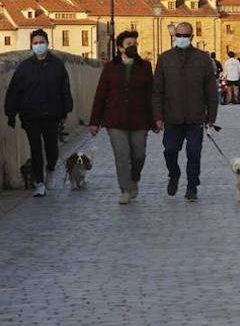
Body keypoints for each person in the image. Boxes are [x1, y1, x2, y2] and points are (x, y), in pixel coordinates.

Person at [88, 31, 159, 205]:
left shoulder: (145, 67)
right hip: (115, 118)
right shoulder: (110, 67)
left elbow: (152, 94)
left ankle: (134, 178)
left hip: (140, 119)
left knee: (139, 155)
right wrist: (94, 121)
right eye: (128, 44)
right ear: (120, 48)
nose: (132, 46)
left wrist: (156, 118)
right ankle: (125, 190)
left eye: (134, 43)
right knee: (122, 156)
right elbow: (101, 94)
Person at [153, 22, 218, 202]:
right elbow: (157, 90)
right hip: (172, 116)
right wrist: (157, 117)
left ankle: (192, 187)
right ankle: (174, 174)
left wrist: (211, 117)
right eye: (178, 35)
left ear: (191, 37)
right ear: (175, 37)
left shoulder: (202, 59)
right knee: (170, 150)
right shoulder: (165, 59)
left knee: (194, 151)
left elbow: (211, 91)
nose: (182, 38)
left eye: (185, 35)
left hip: (195, 116)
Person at [4, 29, 74, 198]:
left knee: (51, 147)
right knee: (35, 149)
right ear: (31, 46)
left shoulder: (57, 65)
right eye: (35, 43)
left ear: (47, 43)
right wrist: (11, 113)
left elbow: (64, 88)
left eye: (41, 42)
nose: (39, 45)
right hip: (30, 115)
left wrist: (65, 109)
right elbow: (14, 91)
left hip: (52, 113)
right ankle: (39, 183)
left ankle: (50, 169)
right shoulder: (24, 67)